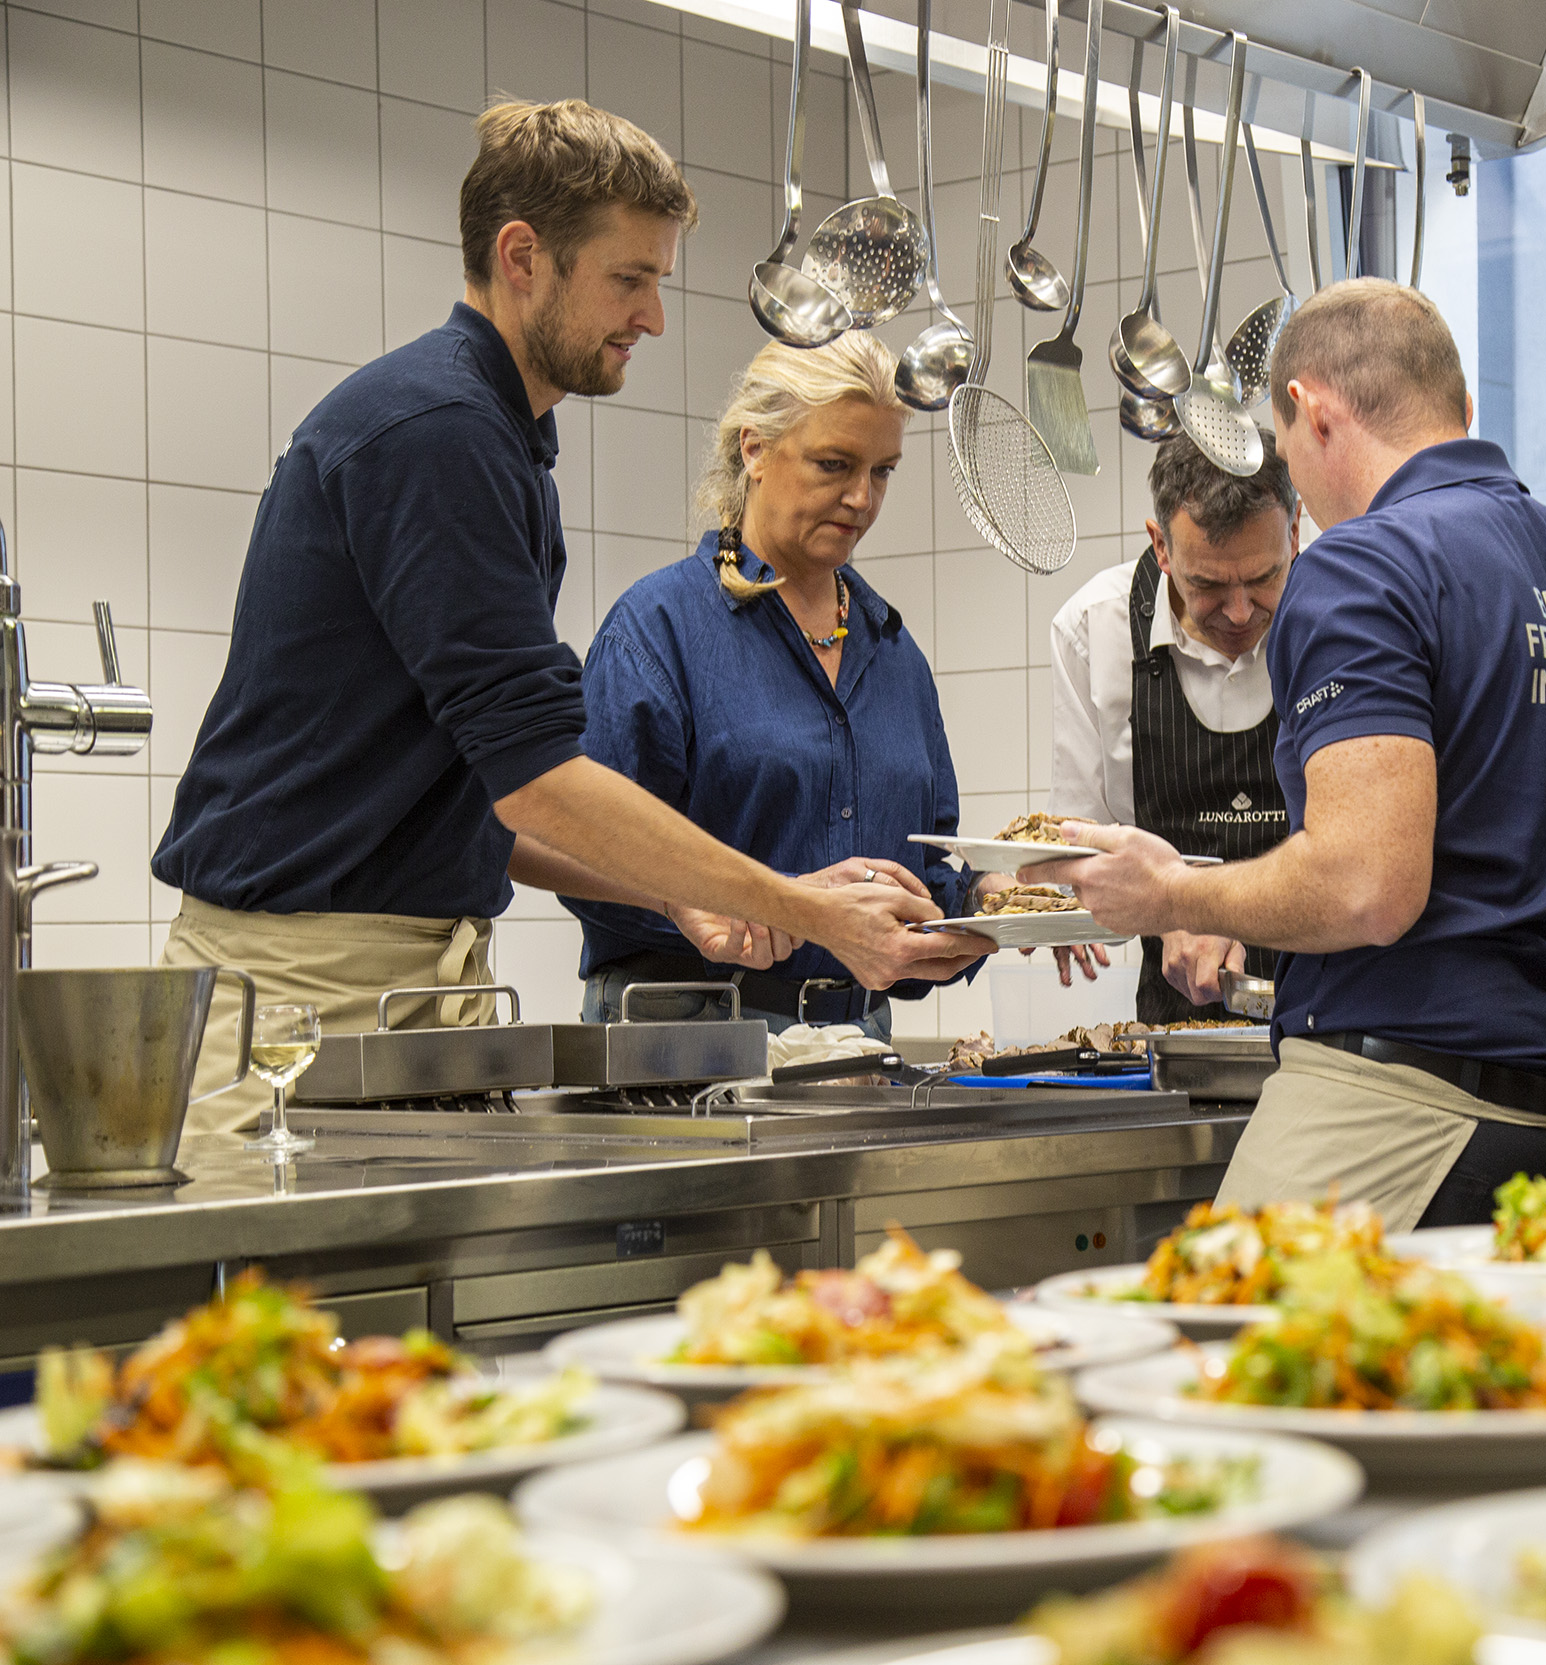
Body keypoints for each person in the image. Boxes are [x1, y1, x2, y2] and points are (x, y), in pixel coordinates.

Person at [153, 100, 979, 1130]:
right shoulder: (438, 433)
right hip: (307, 984)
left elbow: (489, 794)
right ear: (523, 257)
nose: (653, 318)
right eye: (630, 279)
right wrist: (804, 906)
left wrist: (683, 894)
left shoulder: (504, 441)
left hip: (413, 970)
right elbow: (543, 781)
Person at [1033, 278, 1546, 1229]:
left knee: (1220, 1355)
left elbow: (1363, 887)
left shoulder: (1363, 562)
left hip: (1393, 1114)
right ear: (1457, 405)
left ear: (1307, 409)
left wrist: (1171, 892)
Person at [564, 333, 998, 1035]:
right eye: (834, 464)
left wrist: (992, 903)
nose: (861, 497)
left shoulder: (894, 655)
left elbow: (922, 867)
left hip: (857, 1050)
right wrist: (741, 901)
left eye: (882, 470)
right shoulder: (658, 631)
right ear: (754, 449)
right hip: (687, 1044)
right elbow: (581, 848)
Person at [1045, 432, 1301, 1021]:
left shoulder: (1343, 615)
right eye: (1208, 584)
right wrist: (1170, 917)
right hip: (1179, 1031)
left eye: (1265, 577)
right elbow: (1080, 853)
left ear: (1293, 534)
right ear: (1160, 546)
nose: (1240, 612)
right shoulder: (1094, 630)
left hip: (1336, 1026)